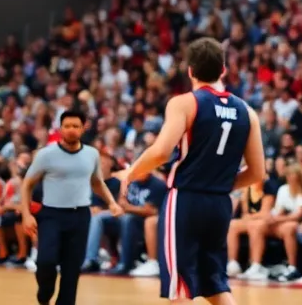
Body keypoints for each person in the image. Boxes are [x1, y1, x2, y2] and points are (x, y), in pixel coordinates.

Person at [124, 36, 267, 305]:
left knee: (179, 287)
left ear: (190, 71)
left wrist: (131, 172)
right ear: (223, 69)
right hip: (220, 204)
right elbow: (257, 173)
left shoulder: (184, 103)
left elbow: (160, 152)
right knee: (215, 285)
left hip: (186, 200)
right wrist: (220, 184)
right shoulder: (248, 112)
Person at [20, 110, 122, 305]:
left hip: (80, 216)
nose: (71, 130)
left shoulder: (92, 154)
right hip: (51, 215)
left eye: (75, 126)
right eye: (67, 126)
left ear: (83, 128)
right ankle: (44, 292)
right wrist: (26, 214)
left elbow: (97, 182)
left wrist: (112, 202)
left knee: (71, 269)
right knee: (46, 262)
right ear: (60, 129)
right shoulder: (46, 154)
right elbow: (27, 184)